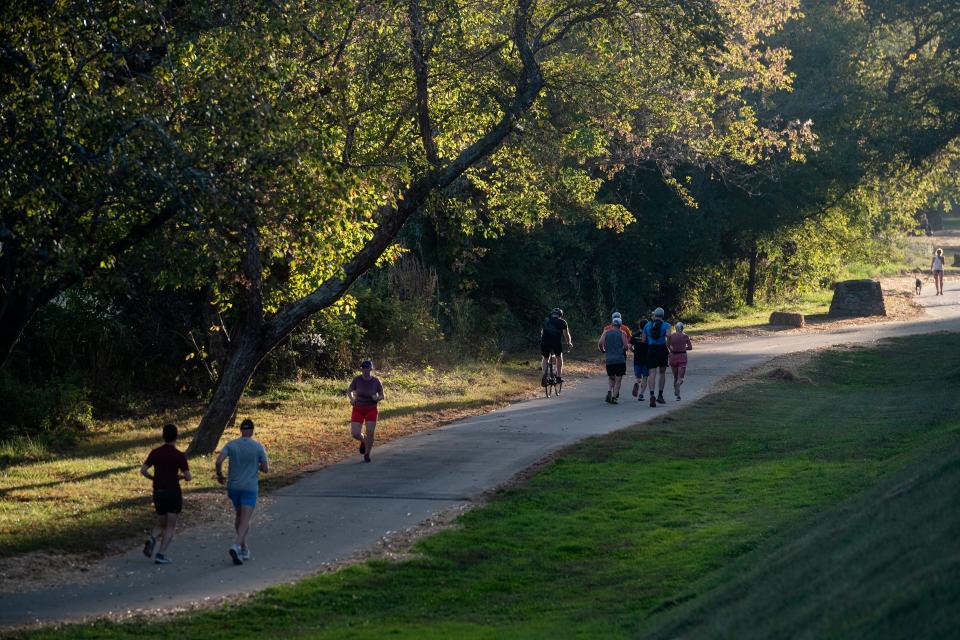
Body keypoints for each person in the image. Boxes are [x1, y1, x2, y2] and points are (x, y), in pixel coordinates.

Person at [216, 418, 269, 565]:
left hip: (234, 486)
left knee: (239, 516)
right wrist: (256, 466)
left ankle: (244, 547)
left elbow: (219, 461)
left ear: (241, 430)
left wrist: (220, 475)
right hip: (249, 487)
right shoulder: (258, 447)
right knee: (245, 519)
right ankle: (236, 545)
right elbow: (265, 469)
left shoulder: (231, 444)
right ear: (252, 431)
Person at [140, 423, 191, 565]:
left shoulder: (155, 453)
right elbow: (188, 476)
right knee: (170, 526)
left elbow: (143, 470)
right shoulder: (179, 455)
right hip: (173, 492)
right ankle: (161, 554)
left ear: (163, 436)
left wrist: (153, 478)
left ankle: (152, 538)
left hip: (158, 492)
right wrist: (180, 477)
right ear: (176, 437)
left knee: (161, 523)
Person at [348, 359, 385, 463]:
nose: (365, 370)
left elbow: (382, 395)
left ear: (371, 369)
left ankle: (367, 454)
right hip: (358, 408)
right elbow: (349, 390)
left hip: (371, 409)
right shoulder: (357, 380)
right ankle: (363, 440)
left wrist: (377, 398)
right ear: (361, 369)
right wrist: (352, 399)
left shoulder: (376, 381)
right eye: (363, 368)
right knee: (355, 433)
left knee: (370, 432)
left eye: (367, 368)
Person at [598, 313, 631, 404]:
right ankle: (614, 397)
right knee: (618, 379)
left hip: (609, 359)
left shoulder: (606, 332)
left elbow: (600, 343)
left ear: (612, 324)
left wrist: (603, 351)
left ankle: (609, 391)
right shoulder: (622, 333)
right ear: (620, 325)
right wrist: (623, 349)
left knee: (611, 377)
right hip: (619, 359)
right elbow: (626, 346)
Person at [644, 307, 671, 407]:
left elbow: (643, 339)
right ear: (663, 315)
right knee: (662, 373)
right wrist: (668, 346)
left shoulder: (647, 325)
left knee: (652, 373)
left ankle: (652, 394)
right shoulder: (666, 325)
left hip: (651, 349)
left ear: (655, 315)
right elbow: (669, 336)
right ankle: (660, 394)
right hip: (662, 349)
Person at [540, 308, 572, 384]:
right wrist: (569, 343)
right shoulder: (562, 321)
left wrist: (543, 340)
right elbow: (566, 334)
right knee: (558, 357)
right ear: (560, 315)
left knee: (545, 358)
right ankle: (558, 377)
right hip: (556, 342)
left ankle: (544, 374)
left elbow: (542, 332)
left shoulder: (546, 320)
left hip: (545, 341)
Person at [667, 321, 693, 400]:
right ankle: (678, 385)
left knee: (675, 376)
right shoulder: (685, 336)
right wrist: (683, 348)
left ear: (676, 328)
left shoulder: (671, 336)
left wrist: (671, 348)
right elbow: (690, 347)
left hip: (673, 356)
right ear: (682, 328)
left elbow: (667, 345)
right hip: (682, 356)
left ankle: (677, 395)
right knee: (680, 377)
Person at [629, 319, 649, 401]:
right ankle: (641, 394)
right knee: (645, 377)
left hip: (637, 358)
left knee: (638, 377)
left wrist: (634, 351)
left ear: (639, 326)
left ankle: (637, 383)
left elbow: (629, 346)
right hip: (647, 359)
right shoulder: (648, 336)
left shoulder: (635, 335)